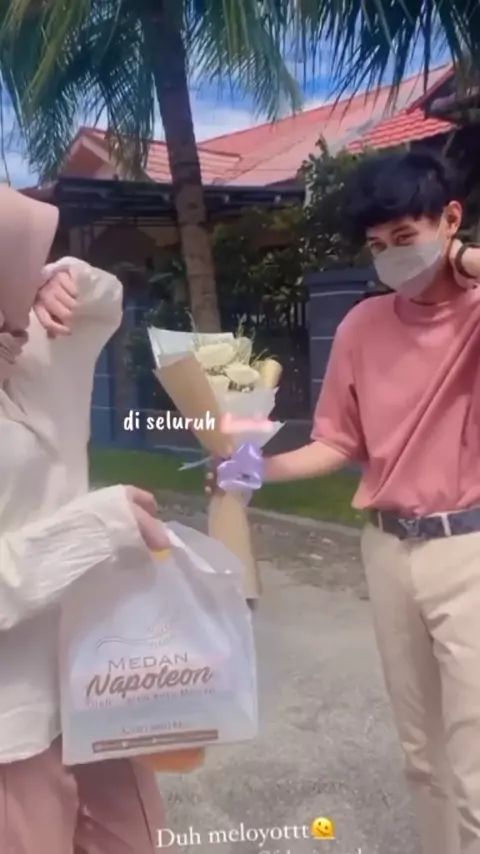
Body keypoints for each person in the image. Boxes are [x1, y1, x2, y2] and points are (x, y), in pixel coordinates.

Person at [208, 150, 480, 854]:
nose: (393, 257)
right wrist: (256, 469)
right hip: (387, 548)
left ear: (451, 219)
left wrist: (465, 262)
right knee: (423, 756)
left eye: (407, 237)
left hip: (470, 550)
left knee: (477, 764)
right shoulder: (363, 326)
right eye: (379, 245)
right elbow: (337, 441)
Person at [0, 185, 170, 853]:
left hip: (97, 676)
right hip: (13, 716)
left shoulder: (34, 352)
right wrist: (98, 528)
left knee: (135, 837)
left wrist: (53, 278)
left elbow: (106, 302)